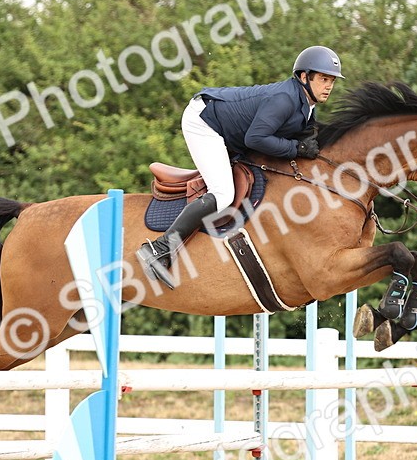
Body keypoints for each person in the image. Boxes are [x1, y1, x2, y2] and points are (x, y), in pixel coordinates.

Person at [136, 45, 344, 288]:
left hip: (228, 128)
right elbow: (255, 139)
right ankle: (160, 248)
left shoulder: (306, 105)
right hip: (204, 122)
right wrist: (295, 149)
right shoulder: (285, 99)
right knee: (223, 193)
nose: (329, 86)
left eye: (331, 80)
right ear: (304, 76)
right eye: (323, 79)